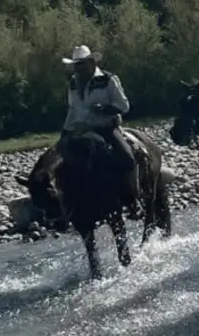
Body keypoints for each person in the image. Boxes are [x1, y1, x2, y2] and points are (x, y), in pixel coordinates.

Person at [59, 45, 140, 217]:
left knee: (128, 158)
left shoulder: (108, 80)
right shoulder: (73, 82)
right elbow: (72, 109)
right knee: (61, 163)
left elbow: (124, 106)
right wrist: (65, 132)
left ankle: (134, 199)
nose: (78, 69)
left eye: (81, 64)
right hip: (80, 130)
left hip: (106, 128)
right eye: (75, 65)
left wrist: (104, 109)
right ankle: (68, 206)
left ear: (91, 62)